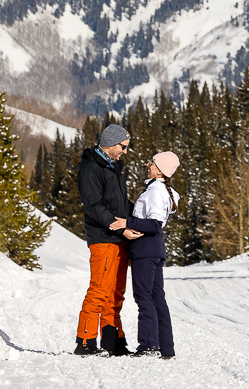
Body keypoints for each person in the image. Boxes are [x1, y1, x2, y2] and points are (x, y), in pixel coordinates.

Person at [74, 124, 134, 356]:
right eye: (123, 147)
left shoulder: (114, 168)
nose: (125, 152)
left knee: (116, 292)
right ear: (110, 143)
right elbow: (93, 206)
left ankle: (113, 341)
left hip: (120, 239)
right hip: (104, 238)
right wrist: (119, 228)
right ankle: (86, 341)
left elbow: (120, 205)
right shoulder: (91, 168)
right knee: (100, 290)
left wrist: (137, 220)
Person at [123, 150, 180, 359]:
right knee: (157, 297)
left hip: (145, 249)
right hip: (154, 248)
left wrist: (126, 223)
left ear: (160, 170)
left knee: (144, 296)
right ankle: (166, 348)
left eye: (152, 163)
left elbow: (154, 224)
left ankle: (148, 345)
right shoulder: (160, 189)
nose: (148, 165)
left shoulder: (155, 191)